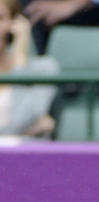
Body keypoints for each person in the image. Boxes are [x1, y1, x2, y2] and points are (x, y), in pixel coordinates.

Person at [0, 0, 57, 137]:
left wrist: (19, 59)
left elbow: (20, 119)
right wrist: (30, 129)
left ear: (15, 24)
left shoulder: (44, 69)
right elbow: (21, 127)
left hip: (25, 156)